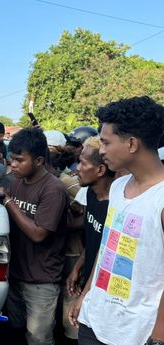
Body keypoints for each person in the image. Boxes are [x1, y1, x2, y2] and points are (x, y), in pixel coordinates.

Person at [69, 96, 164, 345]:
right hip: (95, 320)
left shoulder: (161, 199)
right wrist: (86, 296)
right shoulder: (118, 186)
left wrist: (159, 337)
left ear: (132, 144)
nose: (102, 150)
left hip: (136, 333)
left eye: (106, 143)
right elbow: (106, 248)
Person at [0, 127, 68, 345]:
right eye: (11, 159)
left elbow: (38, 234)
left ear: (40, 160)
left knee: (38, 338)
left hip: (41, 280)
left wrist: (8, 201)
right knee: (15, 329)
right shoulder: (17, 184)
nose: (12, 165)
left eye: (19, 160)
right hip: (16, 274)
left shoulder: (53, 189)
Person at [64, 136, 114, 343]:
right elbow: (96, 240)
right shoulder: (92, 195)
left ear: (101, 170)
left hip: (104, 291)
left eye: (83, 164)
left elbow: (108, 253)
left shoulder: (115, 205)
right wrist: (78, 266)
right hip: (88, 283)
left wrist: (85, 295)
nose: (77, 169)